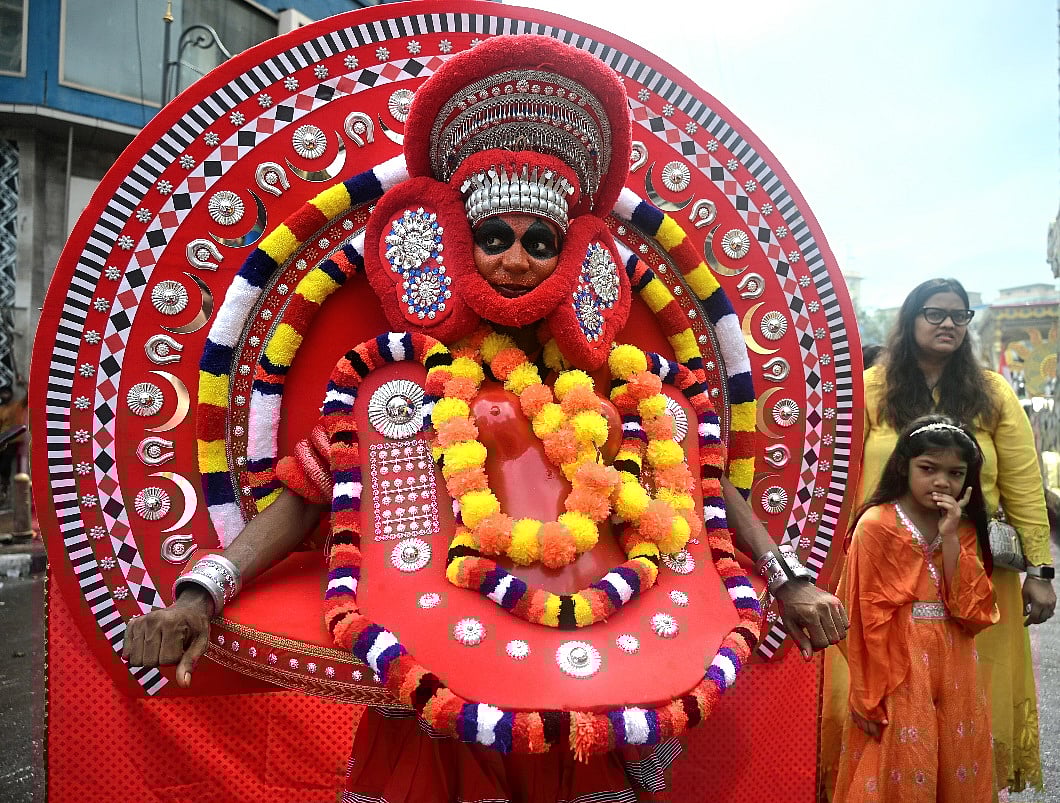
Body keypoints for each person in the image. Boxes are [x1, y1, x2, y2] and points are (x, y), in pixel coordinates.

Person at [123, 35, 848, 802]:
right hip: (439, 688)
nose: (515, 260)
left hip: (582, 696)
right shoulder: (394, 386)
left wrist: (788, 577)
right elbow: (311, 498)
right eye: (494, 237)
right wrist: (200, 593)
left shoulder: (612, 385)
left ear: (574, 259)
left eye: (540, 242)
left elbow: (699, 495)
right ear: (451, 243)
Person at [823, 278, 1055, 799]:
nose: (947, 322)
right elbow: (838, 474)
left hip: (973, 574)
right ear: (909, 321)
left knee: (969, 707)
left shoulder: (991, 393)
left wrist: (1041, 572)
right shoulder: (871, 388)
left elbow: (1022, 482)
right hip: (884, 573)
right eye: (933, 313)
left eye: (959, 314)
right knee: (878, 704)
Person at [834, 415, 998, 802]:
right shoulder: (876, 524)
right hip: (899, 665)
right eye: (928, 469)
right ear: (903, 466)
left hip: (956, 660)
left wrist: (951, 538)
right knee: (902, 761)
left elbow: (972, 613)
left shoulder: (964, 528)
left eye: (955, 473)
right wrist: (866, 691)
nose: (942, 482)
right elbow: (861, 616)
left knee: (956, 761)